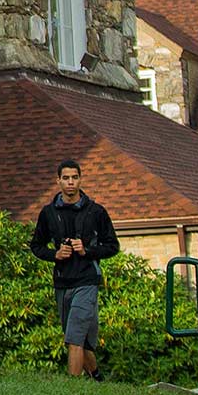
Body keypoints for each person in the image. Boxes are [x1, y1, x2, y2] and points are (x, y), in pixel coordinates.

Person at [28, 159, 118, 378]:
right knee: (79, 338)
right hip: (62, 281)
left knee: (74, 337)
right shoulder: (48, 213)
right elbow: (36, 246)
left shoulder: (95, 212)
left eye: (74, 177)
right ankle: (96, 376)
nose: (70, 182)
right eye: (66, 178)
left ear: (80, 179)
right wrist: (55, 254)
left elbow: (112, 246)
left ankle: (72, 388)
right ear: (58, 181)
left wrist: (86, 250)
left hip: (87, 280)